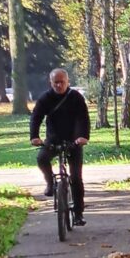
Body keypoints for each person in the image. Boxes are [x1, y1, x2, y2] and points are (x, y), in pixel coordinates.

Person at [30, 69, 90, 226]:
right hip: (53, 140)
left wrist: (83, 137)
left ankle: (78, 214)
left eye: (61, 81)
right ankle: (50, 182)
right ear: (51, 83)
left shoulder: (75, 98)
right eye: (55, 82)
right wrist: (34, 137)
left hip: (73, 141)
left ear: (67, 81)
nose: (59, 85)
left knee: (76, 178)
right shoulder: (46, 98)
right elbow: (36, 117)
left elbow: (83, 118)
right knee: (41, 158)